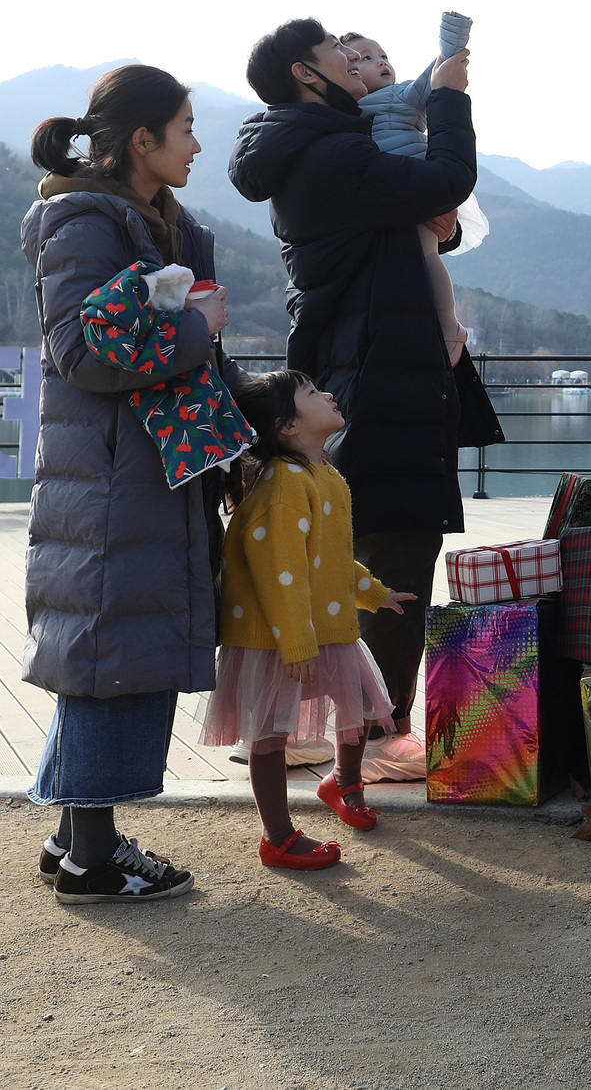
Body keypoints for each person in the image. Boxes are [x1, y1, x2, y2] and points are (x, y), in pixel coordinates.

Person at [229, 18, 502, 781]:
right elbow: (445, 178)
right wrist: (449, 99)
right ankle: (379, 735)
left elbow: (395, 229)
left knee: (361, 551)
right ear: (306, 74)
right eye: (335, 56)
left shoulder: (318, 149)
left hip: (368, 362)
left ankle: (325, 727)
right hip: (384, 371)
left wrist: (432, 231)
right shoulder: (336, 152)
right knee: (397, 553)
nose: (352, 62)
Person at [22, 65, 239, 904]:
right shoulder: (84, 219)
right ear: (141, 140)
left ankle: (75, 837)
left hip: (136, 476)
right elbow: (78, 352)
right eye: (184, 127)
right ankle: (92, 860)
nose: (195, 142)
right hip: (114, 480)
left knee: (106, 656)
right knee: (113, 659)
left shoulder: (151, 220)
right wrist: (195, 327)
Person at [200, 370, 412, 869]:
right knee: (270, 734)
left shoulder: (324, 474)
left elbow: (330, 558)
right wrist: (296, 643)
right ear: (288, 426)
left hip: (322, 624)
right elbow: (280, 570)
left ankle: (343, 782)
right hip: (279, 636)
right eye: (312, 394)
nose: (328, 394)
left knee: (359, 705)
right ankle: (276, 836)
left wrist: (373, 593)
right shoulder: (282, 486)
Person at [342, 13, 479, 366]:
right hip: (388, 200)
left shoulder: (400, 96)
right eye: (363, 58)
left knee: (427, 256)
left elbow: (439, 75)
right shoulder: (339, 114)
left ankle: (449, 323)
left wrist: (454, 33)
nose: (380, 62)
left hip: (419, 190)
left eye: (382, 55)